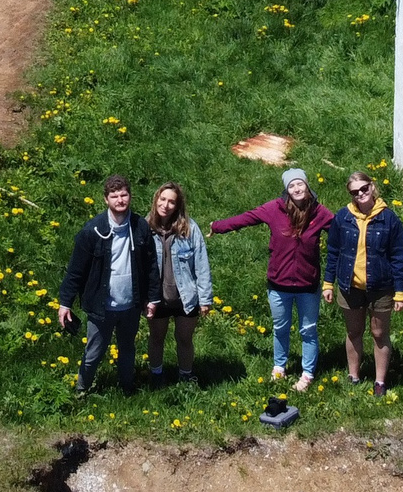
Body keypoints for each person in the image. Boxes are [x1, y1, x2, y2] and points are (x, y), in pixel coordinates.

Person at [208, 167, 334, 389]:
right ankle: (279, 367)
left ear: (307, 186)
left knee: (308, 331)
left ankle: (307, 374)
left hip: (308, 285)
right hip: (278, 284)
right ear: (286, 190)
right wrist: (217, 227)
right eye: (291, 185)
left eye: (300, 184)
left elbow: (342, 232)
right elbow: (246, 218)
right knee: (280, 328)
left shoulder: (319, 213)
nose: (296, 188)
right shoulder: (274, 209)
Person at [56, 173, 159, 394]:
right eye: (114, 196)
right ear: (106, 200)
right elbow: (75, 269)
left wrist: (151, 298)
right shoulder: (92, 231)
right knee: (94, 352)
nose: (120, 200)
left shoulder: (140, 227)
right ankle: (81, 390)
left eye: (124, 195)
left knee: (127, 349)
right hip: (101, 306)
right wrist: (65, 302)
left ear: (130, 196)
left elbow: (151, 266)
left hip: (131, 305)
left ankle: (127, 389)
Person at [322, 170, 403, 393]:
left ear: (372, 187)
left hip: (381, 287)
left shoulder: (389, 219)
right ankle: (354, 376)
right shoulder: (343, 218)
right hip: (349, 285)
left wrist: (400, 293)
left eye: (364, 188)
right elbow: (333, 251)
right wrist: (328, 283)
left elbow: (399, 257)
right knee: (354, 332)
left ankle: (380, 381)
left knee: (379, 333)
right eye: (355, 192)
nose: (360, 194)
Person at [143, 182, 213, 385]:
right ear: (156, 200)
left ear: (178, 205)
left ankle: (186, 376)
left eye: (171, 201)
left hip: (186, 297)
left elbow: (201, 265)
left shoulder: (189, 229)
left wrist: (205, 299)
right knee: (156, 337)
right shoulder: (145, 227)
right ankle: (156, 375)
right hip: (157, 297)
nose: (165, 205)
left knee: (184, 339)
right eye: (162, 199)